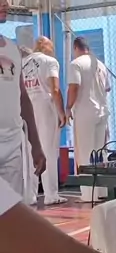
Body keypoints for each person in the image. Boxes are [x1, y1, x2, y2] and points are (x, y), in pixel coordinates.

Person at [0, 0, 45, 198]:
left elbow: (23, 98)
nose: (5, 3)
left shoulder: (12, 49)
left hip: (12, 146)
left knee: (11, 213)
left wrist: (35, 145)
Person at [22, 36, 66, 206]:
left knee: (29, 153)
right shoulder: (50, 62)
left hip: (27, 109)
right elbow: (54, 89)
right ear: (47, 47)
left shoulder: (23, 63)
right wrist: (61, 113)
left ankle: (30, 195)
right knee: (49, 151)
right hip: (45, 108)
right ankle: (51, 194)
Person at [67, 36, 110, 202]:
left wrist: (68, 107)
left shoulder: (76, 64)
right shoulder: (100, 64)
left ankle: (88, 194)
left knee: (85, 152)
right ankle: (102, 190)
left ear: (75, 48)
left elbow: (74, 87)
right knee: (100, 152)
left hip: (85, 112)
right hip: (102, 111)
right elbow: (107, 88)